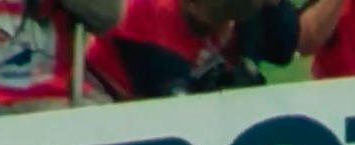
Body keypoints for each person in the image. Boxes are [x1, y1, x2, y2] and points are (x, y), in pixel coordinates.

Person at [85, 0, 296, 101]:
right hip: (108, 97)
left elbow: (282, 47)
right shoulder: (151, 16)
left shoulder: (237, 17)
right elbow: (168, 107)